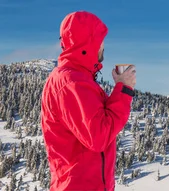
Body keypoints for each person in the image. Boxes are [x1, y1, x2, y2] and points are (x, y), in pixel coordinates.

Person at [41, 11, 136, 191]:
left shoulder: (77, 79)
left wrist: (120, 87)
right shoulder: (72, 82)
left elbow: (98, 122)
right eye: (100, 39)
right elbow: (99, 136)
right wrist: (124, 89)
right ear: (88, 42)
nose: (103, 45)